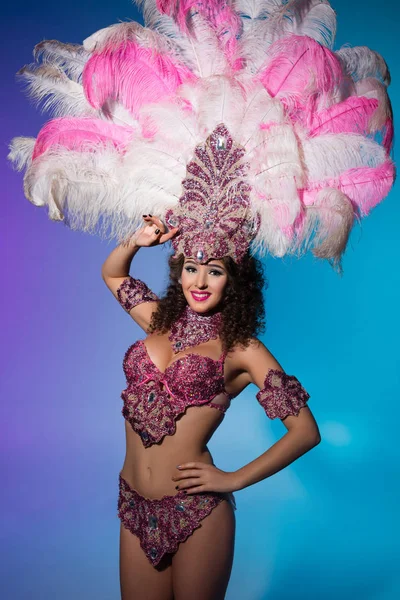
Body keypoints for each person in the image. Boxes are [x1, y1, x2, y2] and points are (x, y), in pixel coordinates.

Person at [101, 213, 320, 600]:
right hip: (134, 504)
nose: (199, 282)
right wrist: (138, 240)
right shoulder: (158, 322)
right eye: (191, 268)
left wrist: (233, 479)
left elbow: (305, 431)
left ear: (234, 280)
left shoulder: (242, 349)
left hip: (197, 511)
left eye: (214, 272)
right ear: (179, 271)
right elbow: (115, 275)